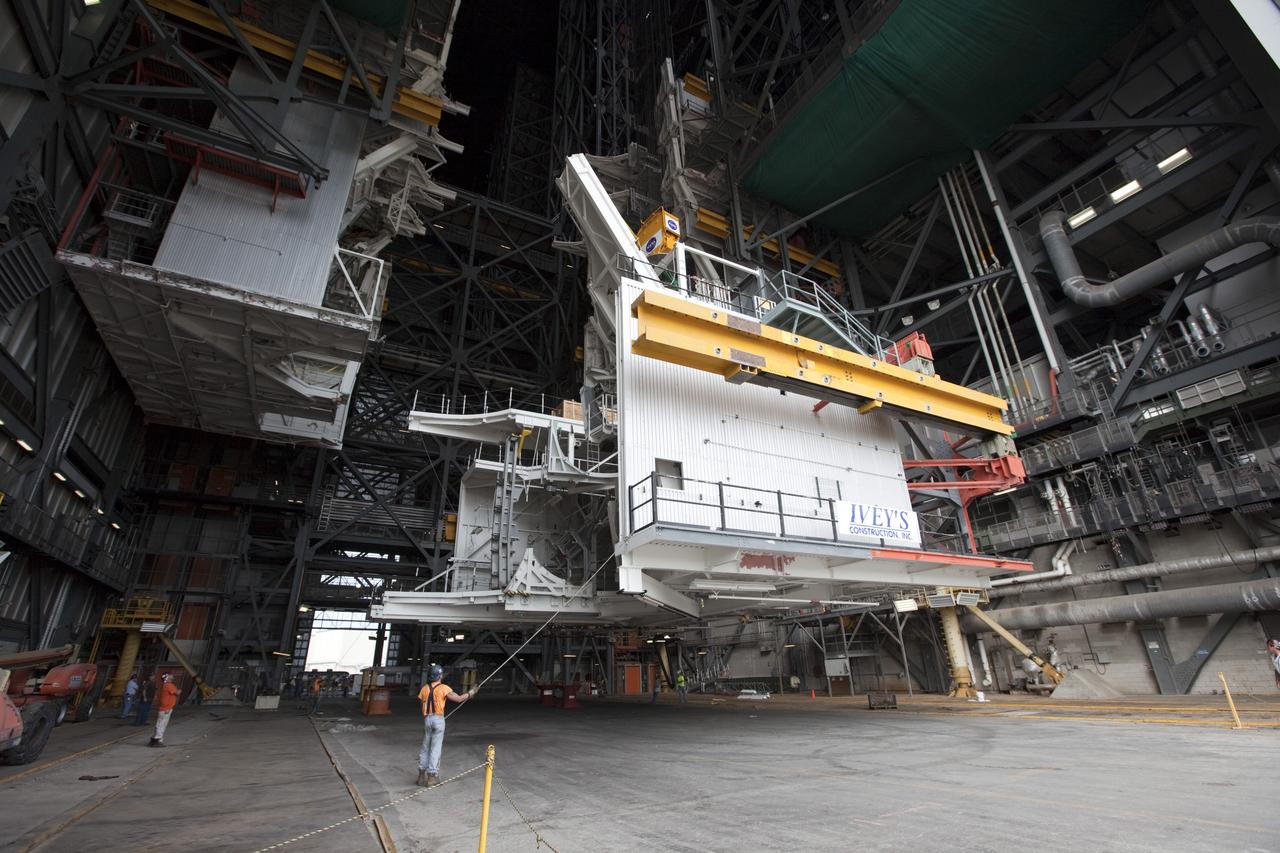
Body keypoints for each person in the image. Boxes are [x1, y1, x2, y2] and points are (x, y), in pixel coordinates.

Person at [416, 664, 477, 787]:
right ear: (440, 676)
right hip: (438, 719)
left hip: (427, 719)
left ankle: (421, 776)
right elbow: (459, 699)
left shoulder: (424, 688)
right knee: (435, 748)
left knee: (425, 747)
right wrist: (471, 693)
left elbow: (423, 700)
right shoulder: (444, 688)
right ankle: (432, 776)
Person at [149, 673, 179, 747]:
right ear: (167, 678)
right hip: (166, 708)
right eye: (169, 676)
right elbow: (177, 692)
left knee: (159, 723)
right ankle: (157, 740)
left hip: (164, 708)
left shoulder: (165, 685)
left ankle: (154, 739)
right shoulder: (169, 685)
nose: (172, 676)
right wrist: (179, 691)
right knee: (162, 724)